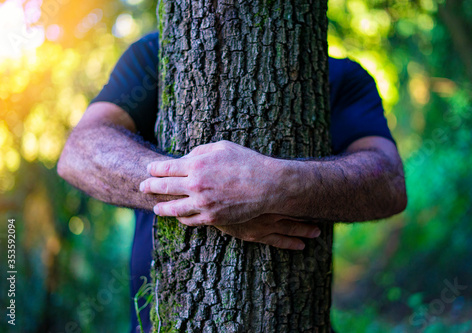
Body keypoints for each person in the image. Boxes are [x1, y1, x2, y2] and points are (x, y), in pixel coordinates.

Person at [57, 31, 407, 333]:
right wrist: (201, 192)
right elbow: (79, 153)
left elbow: (388, 181)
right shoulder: (156, 55)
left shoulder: (344, 77)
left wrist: (274, 186)